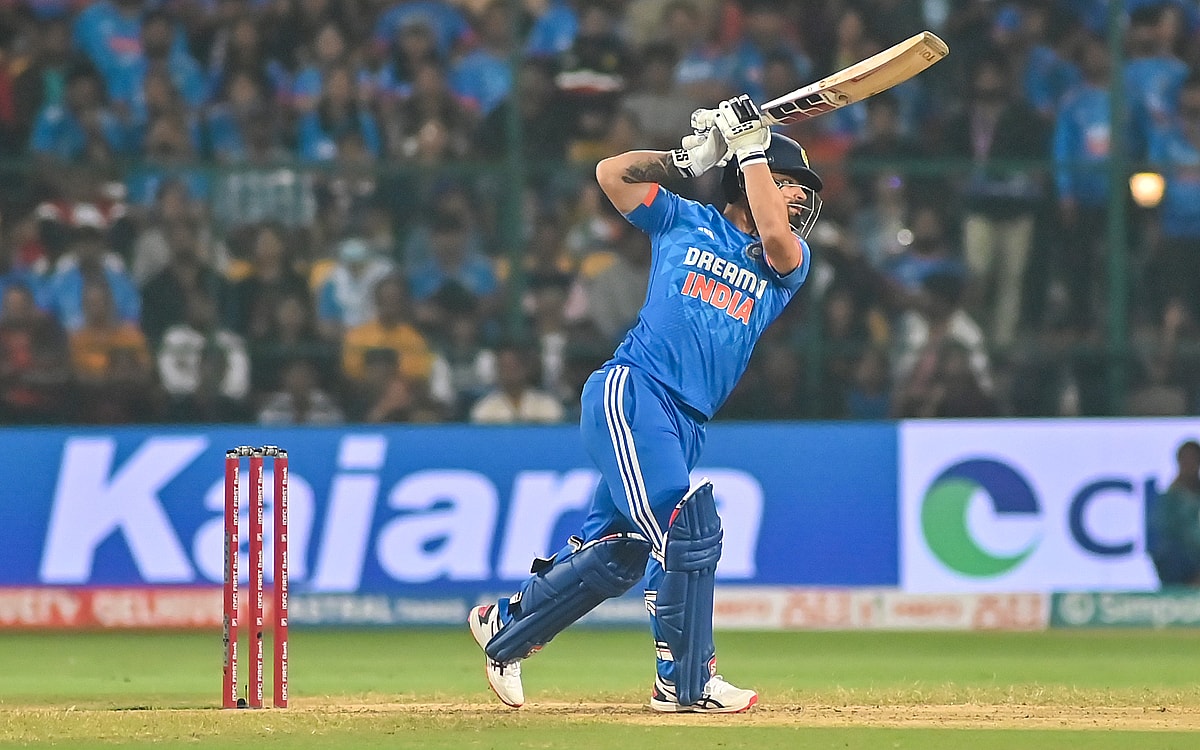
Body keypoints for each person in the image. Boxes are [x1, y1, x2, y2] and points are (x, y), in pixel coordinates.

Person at [469, 94, 823, 713]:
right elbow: (612, 174)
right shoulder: (683, 219)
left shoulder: (785, 262)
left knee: (617, 554)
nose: (800, 200)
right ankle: (684, 681)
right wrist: (686, 159)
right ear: (753, 179)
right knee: (685, 527)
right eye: (791, 184)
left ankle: (506, 626)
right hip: (635, 390)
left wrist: (750, 152)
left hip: (687, 422)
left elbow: (774, 234)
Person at [1148, 439, 1200, 586]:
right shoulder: (1168, 500)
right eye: (1186, 459)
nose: (1189, 464)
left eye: (1194, 459)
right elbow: (1163, 533)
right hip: (1181, 562)